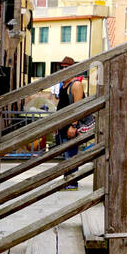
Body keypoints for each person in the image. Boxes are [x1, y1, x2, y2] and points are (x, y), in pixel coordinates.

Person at [54, 57, 86, 189]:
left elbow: (78, 107)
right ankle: (67, 180)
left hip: (71, 126)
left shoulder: (76, 85)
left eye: (66, 67)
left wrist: (73, 125)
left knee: (71, 155)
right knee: (65, 154)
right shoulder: (64, 85)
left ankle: (72, 182)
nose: (64, 70)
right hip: (62, 125)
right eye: (62, 67)